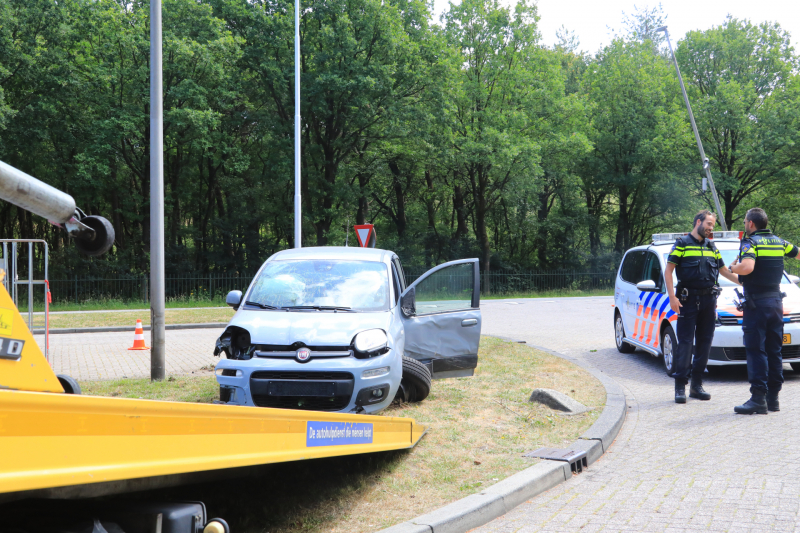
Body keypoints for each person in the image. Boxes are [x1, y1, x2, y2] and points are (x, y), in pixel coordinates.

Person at [729, 208, 799, 414]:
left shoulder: (750, 242)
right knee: (775, 350)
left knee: (755, 350)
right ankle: (773, 399)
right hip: (776, 304)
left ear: (751, 223)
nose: (744, 225)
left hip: (756, 305)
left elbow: (748, 267)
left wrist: (733, 267)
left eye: (744, 222)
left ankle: (758, 398)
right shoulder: (779, 242)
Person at [665, 210, 740, 404]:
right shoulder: (682, 244)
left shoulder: (711, 246)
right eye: (708, 224)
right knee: (685, 344)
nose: (710, 228)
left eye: (713, 225)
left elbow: (723, 270)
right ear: (698, 221)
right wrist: (672, 297)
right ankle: (680, 387)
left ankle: (696, 386)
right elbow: (669, 271)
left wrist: (745, 283)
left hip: (709, 302)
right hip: (687, 301)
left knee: (705, 343)